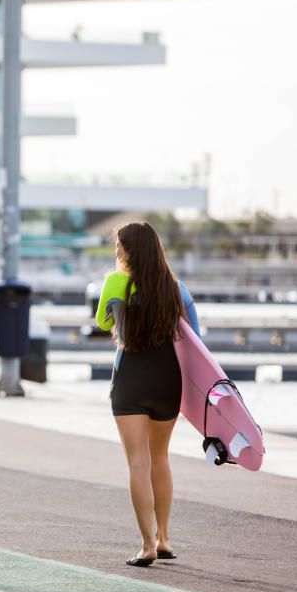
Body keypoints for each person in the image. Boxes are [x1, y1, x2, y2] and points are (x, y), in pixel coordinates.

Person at [95, 222, 200, 568]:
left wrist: (119, 286)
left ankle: (146, 545)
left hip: (130, 380)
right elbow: (196, 341)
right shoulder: (178, 290)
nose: (116, 253)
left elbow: (103, 324)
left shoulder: (115, 283)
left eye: (119, 248)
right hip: (167, 381)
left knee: (137, 463)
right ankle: (165, 538)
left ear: (129, 252)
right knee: (161, 458)